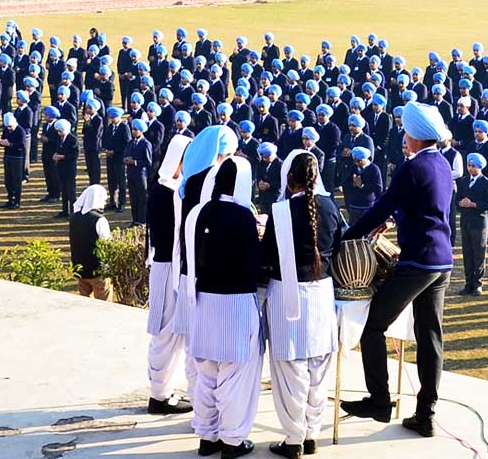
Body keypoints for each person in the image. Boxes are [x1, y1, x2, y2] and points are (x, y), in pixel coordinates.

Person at [341, 102, 454, 438]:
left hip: (417, 261)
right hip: (441, 260)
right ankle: (425, 414)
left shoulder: (411, 168)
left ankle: (379, 401)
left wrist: (347, 238)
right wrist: (398, 219)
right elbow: (427, 208)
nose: (404, 139)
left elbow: (381, 206)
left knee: (373, 327)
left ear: (415, 138)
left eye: (406, 134)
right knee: (430, 336)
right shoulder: (442, 163)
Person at [181, 126, 261, 459]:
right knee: (235, 377)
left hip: (204, 301)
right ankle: (232, 440)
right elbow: (254, 264)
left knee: (207, 374)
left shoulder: (201, 211)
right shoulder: (244, 216)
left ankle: (207, 436)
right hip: (236, 302)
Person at [264, 151, 344, 459]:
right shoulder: (330, 206)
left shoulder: (280, 211)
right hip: (321, 292)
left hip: (287, 293)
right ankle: (311, 434)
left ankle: (294, 438)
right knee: (318, 369)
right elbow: (337, 246)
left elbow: (267, 255)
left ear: (290, 179)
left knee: (289, 372)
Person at [143, 134, 194, 416]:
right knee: (165, 332)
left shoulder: (168, 188)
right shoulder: (168, 192)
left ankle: (162, 390)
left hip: (169, 266)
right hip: (168, 267)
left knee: (172, 332)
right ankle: (159, 395)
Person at [455, 153, 488, 295]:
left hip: (479, 222)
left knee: (479, 253)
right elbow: (457, 200)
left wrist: (474, 204)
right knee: (467, 253)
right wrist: (461, 203)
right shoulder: (463, 181)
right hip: (465, 221)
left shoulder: (486, 182)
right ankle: (468, 282)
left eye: (473, 166)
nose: (470, 168)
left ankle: (477, 283)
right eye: (469, 165)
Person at [70, 185, 113, 301]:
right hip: (98, 270)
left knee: (84, 304)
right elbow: (108, 243)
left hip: (80, 269)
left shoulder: (74, 217)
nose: (104, 203)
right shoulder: (99, 220)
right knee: (105, 305)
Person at [0, 113, 28, 209]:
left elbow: (22, 146)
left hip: (17, 158)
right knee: (8, 180)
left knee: (16, 180)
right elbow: (3, 139)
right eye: (7, 127)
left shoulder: (20, 131)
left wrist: (10, 144)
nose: (9, 129)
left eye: (10, 126)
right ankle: (10, 199)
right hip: (7, 156)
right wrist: (1, 142)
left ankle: (17, 201)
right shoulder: (6, 130)